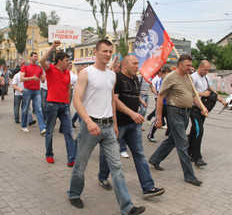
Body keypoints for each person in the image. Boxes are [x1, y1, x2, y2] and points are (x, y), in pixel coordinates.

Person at [68, 40, 145, 215]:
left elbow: (111, 101)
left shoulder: (112, 75)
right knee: (80, 164)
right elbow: (77, 100)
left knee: (117, 167)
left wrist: (115, 123)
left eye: (110, 51)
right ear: (96, 52)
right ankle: (73, 193)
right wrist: (88, 122)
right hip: (90, 128)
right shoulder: (86, 73)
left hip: (109, 127)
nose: (108, 54)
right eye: (104, 51)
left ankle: (127, 207)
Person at [98, 55, 165, 199]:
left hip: (133, 125)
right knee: (109, 152)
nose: (137, 66)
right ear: (125, 65)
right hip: (118, 124)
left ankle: (148, 187)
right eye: (134, 63)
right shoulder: (116, 78)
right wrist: (131, 114)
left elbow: (134, 96)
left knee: (139, 154)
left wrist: (139, 105)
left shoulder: (135, 79)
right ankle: (103, 176)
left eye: (137, 64)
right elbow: (114, 100)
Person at [148, 55, 208, 186]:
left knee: (173, 139)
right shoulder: (171, 77)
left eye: (191, 65)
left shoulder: (189, 78)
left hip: (186, 113)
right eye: (187, 65)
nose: (190, 68)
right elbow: (160, 97)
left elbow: (194, 96)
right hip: (175, 112)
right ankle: (190, 176)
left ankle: (155, 159)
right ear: (180, 64)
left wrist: (202, 107)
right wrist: (159, 118)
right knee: (183, 143)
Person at [40, 41, 76, 166]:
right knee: (50, 131)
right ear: (59, 61)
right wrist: (53, 47)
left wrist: (68, 102)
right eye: (66, 60)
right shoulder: (50, 69)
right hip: (52, 104)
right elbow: (42, 60)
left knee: (69, 132)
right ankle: (49, 154)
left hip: (64, 105)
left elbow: (68, 88)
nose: (68, 63)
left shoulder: (67, 73)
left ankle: (71, 158)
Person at [188, 60, 227, 166]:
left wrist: (222, 101)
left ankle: (188, 150)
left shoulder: (206, 78)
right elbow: (190, 94)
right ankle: (197, 157)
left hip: (203, 109)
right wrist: (203, 94)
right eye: (205, 69)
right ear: (200, 67)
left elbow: (213, 92)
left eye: (208, 69)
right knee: (198, 131)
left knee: (194, 131)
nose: (207, 71)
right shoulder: (193, 78)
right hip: (195, 108)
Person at [20, 52, 47, 134]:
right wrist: (32, 78)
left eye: (37, 56)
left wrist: (43, 79)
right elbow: (21, 78)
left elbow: (42, 78)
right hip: (27, 90)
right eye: (35, 56)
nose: (36, 58)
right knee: (25, 108)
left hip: (37, 90)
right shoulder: (25, 66)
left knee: (39, 109)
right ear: (30, 57)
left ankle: (42, 128)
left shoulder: (39, 67)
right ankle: (23, 126)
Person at [147, 66, 172, 142]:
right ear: (163, 74)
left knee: (170, 121)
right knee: (157, 121)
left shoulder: (170, 82)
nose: (168, 77)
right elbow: (159, 91)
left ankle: (169, 134)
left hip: (169, 104)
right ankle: (150, 135)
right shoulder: (160, 81)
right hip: (161, 104)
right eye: (167, 75)